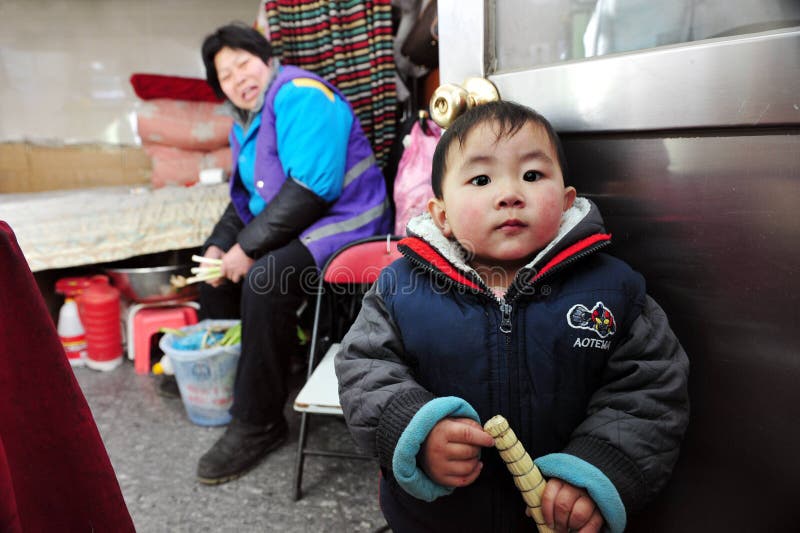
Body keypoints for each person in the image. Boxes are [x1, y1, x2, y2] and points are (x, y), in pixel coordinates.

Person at [335, 101, 689, 532]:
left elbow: (649, 389)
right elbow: (364, 368)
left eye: (532, 175)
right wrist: (414, 430)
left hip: (558, 518)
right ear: (442, 215)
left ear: (566, 201)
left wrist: (598, 468)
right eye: (481, 179)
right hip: (438, 520)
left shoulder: (614, 290)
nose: (510, 194)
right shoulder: (399, 288)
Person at [193, 22, 392, 485]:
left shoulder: (301, 94)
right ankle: (243, 378)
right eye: (225, 75)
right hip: (302, 219)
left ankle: (259, 423)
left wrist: (247, 249)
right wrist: (222, 245)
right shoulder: (245, 123)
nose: (238, 78)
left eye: (243, 63)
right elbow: (246, 201)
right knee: (210, 269)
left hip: (349, 220)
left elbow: (310, 189)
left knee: (265, 278)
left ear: (265, 59)